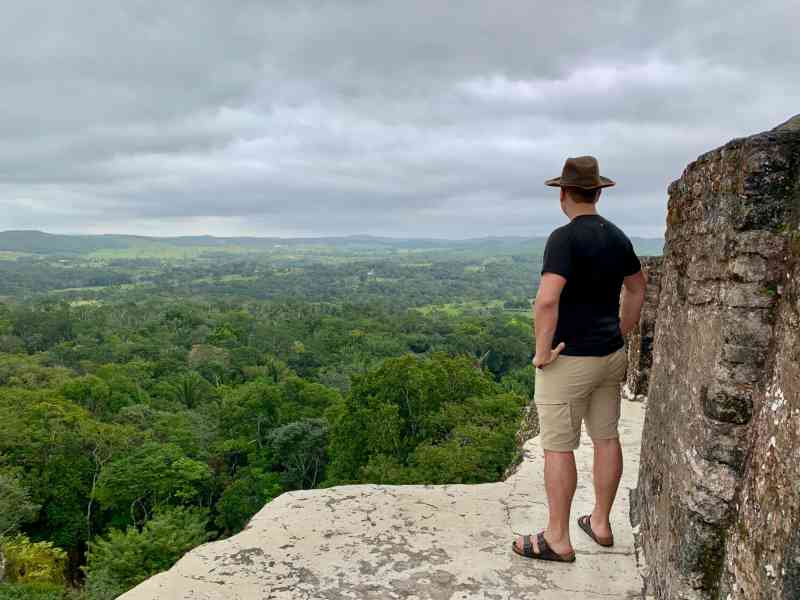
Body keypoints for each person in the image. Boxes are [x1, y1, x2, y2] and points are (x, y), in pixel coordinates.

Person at [511, 156, 647, 563]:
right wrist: (621, 330)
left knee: (558, 447)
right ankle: (601, 523)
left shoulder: (564, 239)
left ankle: (557, 537)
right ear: (599, 192)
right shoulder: (618, 236)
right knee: (606, 437)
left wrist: (540, 352)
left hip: (568, 360)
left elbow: (547, 300)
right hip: (610, 356)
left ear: (564, 194)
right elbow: (638, 288)